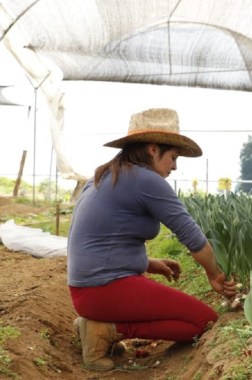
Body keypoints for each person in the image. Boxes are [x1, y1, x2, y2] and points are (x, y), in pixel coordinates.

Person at [67, 108, 237, 371]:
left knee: (192, 318)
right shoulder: (145, 179)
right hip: (103, 290)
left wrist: (148, 262)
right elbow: (192, 237)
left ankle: (101, 325)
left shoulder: (104, 175)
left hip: (87, 290)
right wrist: (214, 274)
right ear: (153, 149)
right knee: (203, 321)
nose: (175, 166)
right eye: (173, 157)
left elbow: (100, 238)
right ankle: (106, 329)